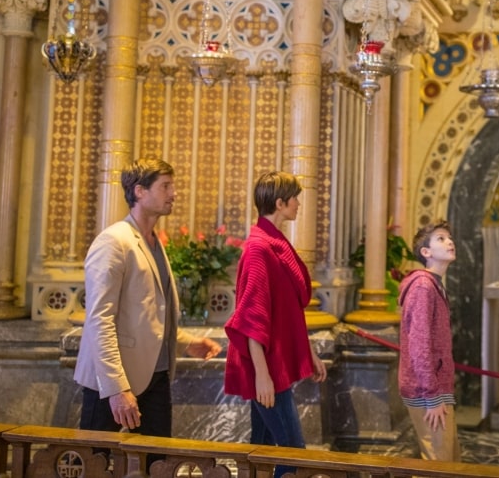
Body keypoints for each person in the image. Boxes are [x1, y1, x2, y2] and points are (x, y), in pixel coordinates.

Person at [74, 158, 222, 438]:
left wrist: (187, 343)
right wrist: (117, 388)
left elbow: (147, 315)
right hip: (112, 382)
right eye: (165, 186)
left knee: (158, 464)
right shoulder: (113, 241)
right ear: (140, 191)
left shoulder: (153, 241)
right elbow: (99, 320)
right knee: (97, 462)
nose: (173, 193)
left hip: (156, 377)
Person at [224, 172, 327, 477]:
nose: (299, 203)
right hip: (266, 368)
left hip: (271, 366)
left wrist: (309, 352)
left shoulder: (273, 242)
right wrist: (263, 376)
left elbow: (290, 310)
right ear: (280, 203)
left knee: (262, 449)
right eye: (294, 197)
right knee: (292, 453)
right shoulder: (259, 248)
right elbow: (251, 317)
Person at [398, 220, 461, 462]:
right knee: (438, 463)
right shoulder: (423, 286)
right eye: (441, 239)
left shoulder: (434, 284)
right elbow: (419, 344)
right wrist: (432, 396)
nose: (450, 242)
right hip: (427, 389)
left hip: (436, 385)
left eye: (449, 237)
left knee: (449, 458)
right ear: (426, 252)